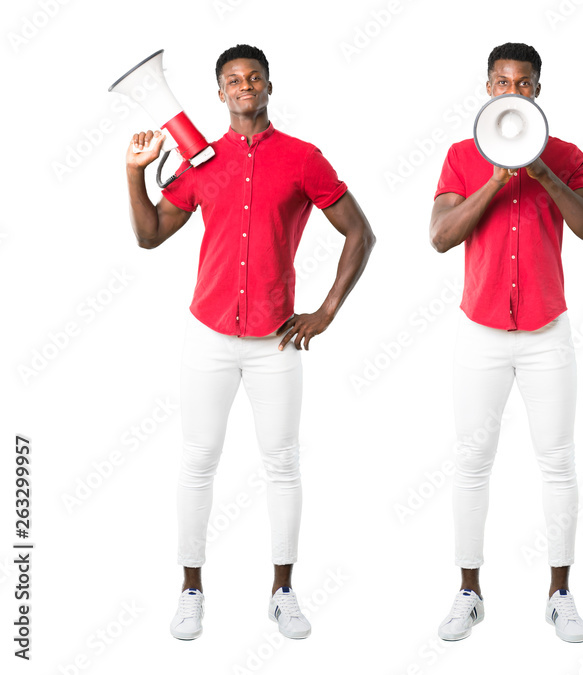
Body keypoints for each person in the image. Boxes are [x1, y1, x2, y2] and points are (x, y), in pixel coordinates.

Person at [123, 44, 376, 640]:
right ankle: (190, 591)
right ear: (220, 92)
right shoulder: (198, 160)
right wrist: (135, 172)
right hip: (207, 334)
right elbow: (150, 235)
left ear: (268, 86)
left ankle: (282, 591)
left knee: (282, 463)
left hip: (276, 340)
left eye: (253, 77)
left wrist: (328, 311)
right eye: (232, 79)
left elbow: (360, 233)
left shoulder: (303, 158)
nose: (244, 86)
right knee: (197, 462)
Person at [429, 42, 583, 643]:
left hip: (545, 333)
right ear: (488, 88)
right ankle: (468, 593)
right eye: (503, 82)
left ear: (537, 89)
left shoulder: (567, 156)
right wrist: (497, 180)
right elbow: (440, 237)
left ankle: (560, 594)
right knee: (472, 464)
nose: (514, 91)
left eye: (524, 83)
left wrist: (540, 173)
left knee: (557, 462)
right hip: (480, 332)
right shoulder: (460, 157)